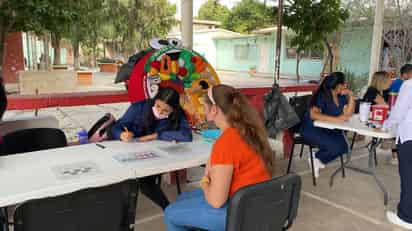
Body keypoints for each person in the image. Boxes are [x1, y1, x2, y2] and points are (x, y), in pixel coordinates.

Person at [164, 84, 274, 231]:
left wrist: (204, 182)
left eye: (204, 106)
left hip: (238, 213)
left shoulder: (226, 142)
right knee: (183, 199)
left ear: (214, 109)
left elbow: (216, 202)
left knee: (170, 213)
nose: (202, 109)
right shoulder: (249, 130)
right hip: (258, 204)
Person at [111, 87, 192, 210]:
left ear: (173, 110)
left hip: (156, 156)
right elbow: (117, 127)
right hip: (131, 152)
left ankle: (168, 209)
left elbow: (187, 135)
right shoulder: (139, 107)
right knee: (142, 182)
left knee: (147, 181)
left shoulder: (178, 113)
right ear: (155, 100)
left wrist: (157, 136)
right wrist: (122, 134)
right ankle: (168, 208)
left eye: (166, 110)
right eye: (158, 106)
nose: (160, 112)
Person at [301, 72, 355, 178]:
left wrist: (351, 96)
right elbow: (313, 114)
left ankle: (317, 158)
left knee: (344, 146)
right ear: (337, 85)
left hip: (328, 128)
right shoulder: (322, 95)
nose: (345, 86)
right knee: (335, 147)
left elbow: (348, 114)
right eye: (344, 83)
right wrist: (336, 119)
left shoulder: (341, 96)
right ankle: (317, 158)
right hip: (312, 128)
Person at [383, 76, 412, 230]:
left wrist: (386, 125)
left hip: (409, 137)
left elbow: (398, 113)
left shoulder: (409, 85)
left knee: (408, 177)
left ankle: (406, 217)